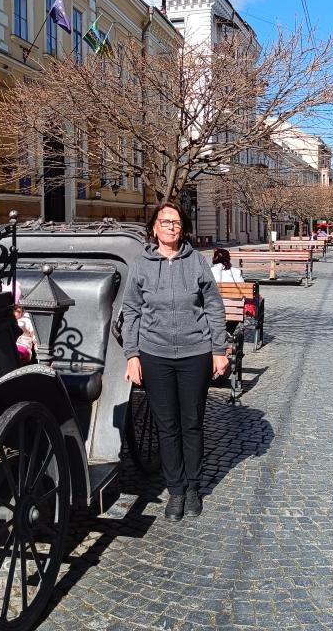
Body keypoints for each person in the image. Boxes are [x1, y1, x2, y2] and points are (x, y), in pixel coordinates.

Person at [121, 203, 229, 522]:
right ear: (154, 228)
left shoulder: (195, 262)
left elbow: (213, 307)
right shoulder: (142, 265)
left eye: (176, 222)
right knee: (166, 426)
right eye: (165, 221)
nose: (171, 226)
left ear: (183, 229)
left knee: (191, 423)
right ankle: (176, 490)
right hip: (155, 356)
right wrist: (132, 355)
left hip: (195, 354)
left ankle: (193, 487)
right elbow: (131, 311)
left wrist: (219, 350)